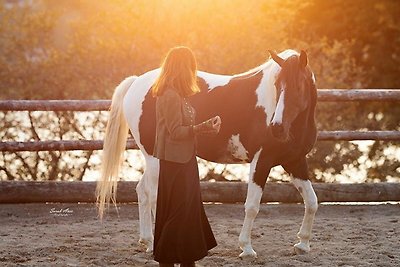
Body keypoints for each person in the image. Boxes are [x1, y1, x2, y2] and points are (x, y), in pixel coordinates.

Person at [152, 46, 220, 267]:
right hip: (175, 163)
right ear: (182, 68)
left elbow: (185, 128)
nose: (193, 72)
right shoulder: (170, 95)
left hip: (184, 159)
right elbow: (175, 131)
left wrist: (207, 127)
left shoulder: (178, 94)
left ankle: (186, 259)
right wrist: (202, 127)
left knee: (188, 211)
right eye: (191, 67)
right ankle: (166, 258)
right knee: (179, 212)